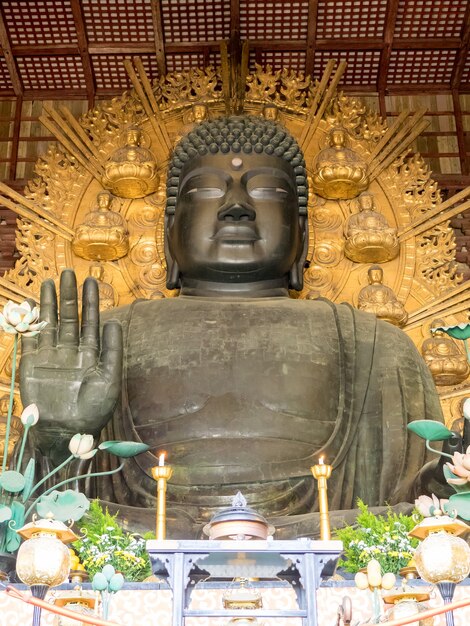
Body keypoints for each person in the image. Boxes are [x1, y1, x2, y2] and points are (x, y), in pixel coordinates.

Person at [20, 115, 443, 538]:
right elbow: (34, 507)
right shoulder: (98, 344)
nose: (236, 206)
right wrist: (54, 439)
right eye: (206, 190)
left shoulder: (378, 347)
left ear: (303, 233)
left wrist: (448, 478)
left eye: (267, 191)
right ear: (169, 232)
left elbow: (421, 505)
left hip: (338, 561)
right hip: (131, 549)